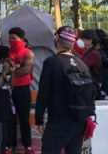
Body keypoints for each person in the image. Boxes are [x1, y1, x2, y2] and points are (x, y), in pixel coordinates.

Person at [35, 26, 90, 154]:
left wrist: (39, 119)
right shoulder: (82, 64)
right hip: (79, 120)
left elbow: (43, 93)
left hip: (58, 120)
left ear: (57, 38)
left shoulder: (52, 62)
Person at [7, 27, 35, 154]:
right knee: (10, 119)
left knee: (24, 118)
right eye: (10, 38)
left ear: (22, 39)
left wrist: (12, 71)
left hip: (23, 89)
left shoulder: (28, 53)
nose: (11, 40)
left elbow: (27, 70)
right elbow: (3, 69)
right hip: (9, 90)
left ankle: (27, 146)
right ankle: (9, 145)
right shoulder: (7, 53)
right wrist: (15, 70)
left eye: (14, 38)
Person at [77, 29, 102, 95]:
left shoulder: (93, 54)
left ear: (90, 41)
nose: (80, 41)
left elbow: (82, 66)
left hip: (91, 87)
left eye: (82, 39)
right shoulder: (90, 52)